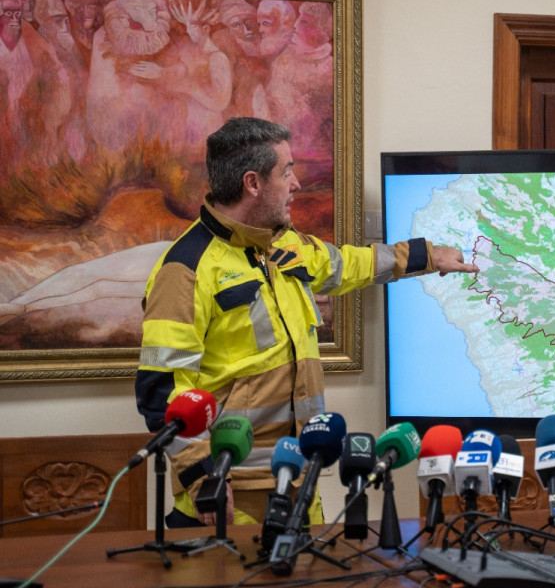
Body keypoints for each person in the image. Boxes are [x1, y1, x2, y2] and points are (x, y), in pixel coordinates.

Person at [135, 116, 478, 528]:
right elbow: (163, 393)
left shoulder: (283, 241)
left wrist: (427, 256)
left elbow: (349, 265)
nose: (297, 184)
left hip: (301, 481)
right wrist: (201, 477)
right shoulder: (185, 270)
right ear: (253, 183)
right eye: (287, 171)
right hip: (231, 500)